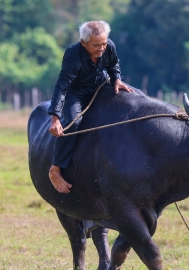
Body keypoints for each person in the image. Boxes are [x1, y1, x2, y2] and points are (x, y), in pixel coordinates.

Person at [47, 20, 133, 193]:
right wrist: (55, 118)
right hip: (76, 93)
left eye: (103, 43)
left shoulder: (108, 45)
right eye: (96, 45)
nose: (101, 48)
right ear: (83, 43)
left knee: (130, 100)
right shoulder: (73, 54)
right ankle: (55, 169)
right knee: (73, 122)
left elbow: (113, 63)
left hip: (101, 86)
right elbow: (62, 86)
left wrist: (117, 79)